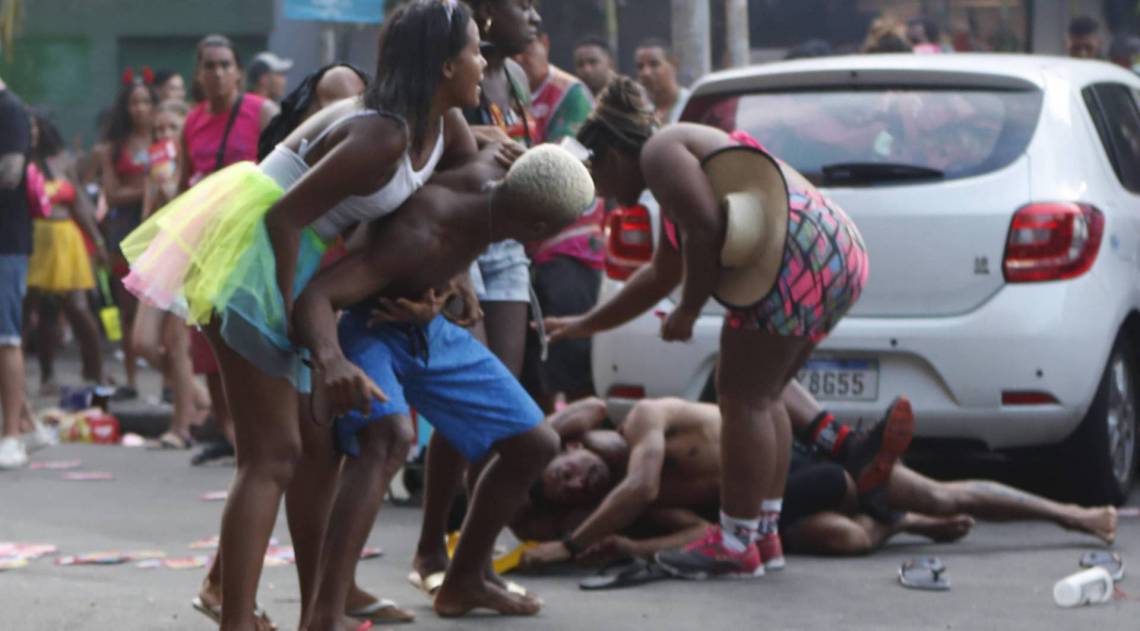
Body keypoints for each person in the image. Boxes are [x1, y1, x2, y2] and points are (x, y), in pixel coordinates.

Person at [120, 4, 484, 628]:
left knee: (310, 450)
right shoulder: (385, 132)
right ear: (447, 64)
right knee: (272, 456)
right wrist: (294, 316)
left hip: (297, 258)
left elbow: (459, 192)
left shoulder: (443, 123)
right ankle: (234, 616)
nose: (484, 61)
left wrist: (456, 276)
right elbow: (282, 218)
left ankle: (318, 606)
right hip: (261, 257)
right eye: (477, 49)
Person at [543, 76, 869, 579]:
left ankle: (736, 542)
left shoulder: (659, 152)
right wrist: (582, 325)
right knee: (767, 395)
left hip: (794, 256)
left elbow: (706, 228)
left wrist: (690, 309)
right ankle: (763, 534)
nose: (602, 196)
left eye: (597, 180)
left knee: (740, 397)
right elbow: (660, 276)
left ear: (609, 154)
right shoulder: (674, 168)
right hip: (834, 254)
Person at [294, 142, 594, 623]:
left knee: (535, 442)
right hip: (366, 327)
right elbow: (321, 294)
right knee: (389, 438)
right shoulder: (423, 232)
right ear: (537, 229)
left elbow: (466, 187)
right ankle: (323, 614)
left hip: (425, 326)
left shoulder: (496, 176)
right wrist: (332, 362)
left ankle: (465, 580)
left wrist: (450, 289)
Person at [513, 396, 1117, 567]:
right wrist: (631, 548)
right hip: (772, 509)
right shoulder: (630, 508)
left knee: (939, 489)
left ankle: (1076, 515)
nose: (572, 481)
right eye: (567, 491)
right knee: (845, 538)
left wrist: (565, 548)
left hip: (792, 458)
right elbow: (695, 532)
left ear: (567, 446)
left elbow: (636, 482)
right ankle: (900, 523)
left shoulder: (643, 423)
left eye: (561, 469)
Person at [408, 0, 540, 599]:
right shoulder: (443, 65)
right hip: (457, 237)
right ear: (486, 11)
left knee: (501, 397)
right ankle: (433, 542)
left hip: (505, 240)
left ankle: (473, 558)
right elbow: (420, 166)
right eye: (524, 4)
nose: (536, 16)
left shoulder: (512, 75)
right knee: (469, 394)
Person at [515, 30, 604, 410]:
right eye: (513, 51)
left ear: (546, 45)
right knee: (529, 363)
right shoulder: (504, 91)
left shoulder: (571, 94)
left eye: (528, 47)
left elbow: (560, 169)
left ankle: (577, 445)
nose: (521, 57)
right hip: (520, 245)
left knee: (570, 357)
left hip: (569, 243)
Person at [129, 99, 207, 450]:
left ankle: (181, 427)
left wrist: (177, 187)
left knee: (178, 346)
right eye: (158, 129)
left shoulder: (196, 167)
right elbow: (147, 219)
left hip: (189, 254)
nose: (163, 135)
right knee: (142, 343)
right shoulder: (154, 167)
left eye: (171, 128)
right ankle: (197, 396)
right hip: (161, 254)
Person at [25, 112, 109, 392]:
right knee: (42, 313)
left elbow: (81, 205)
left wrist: (97, 240)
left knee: (79, 309)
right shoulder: (18, 160)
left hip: (66, 239)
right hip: (35, 241)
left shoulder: (62, 160)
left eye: (34, 126)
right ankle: (45, 377)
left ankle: (96, 373)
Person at [94, 70, 158, 400]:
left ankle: (170, 385)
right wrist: (150, 190)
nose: (140, 108)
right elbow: (112, 193)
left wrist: (143, 191)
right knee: (127, 310)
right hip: (125, 233)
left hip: (160, 232)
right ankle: (132, 381)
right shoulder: (113, 149)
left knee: (164, 307)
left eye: (146, 101)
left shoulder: (165, 140)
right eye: (134, 102)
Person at [0, 76, 33, 470]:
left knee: (6, 337)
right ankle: (28, 419)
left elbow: (10, 174)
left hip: (5, 244)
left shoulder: (9, 110)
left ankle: (11, 434)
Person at [634, 39, 689, 125]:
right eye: (640, 67)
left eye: (654, 64)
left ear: (674, 65)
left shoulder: (691, 104)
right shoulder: (638, 110)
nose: (645, 73)